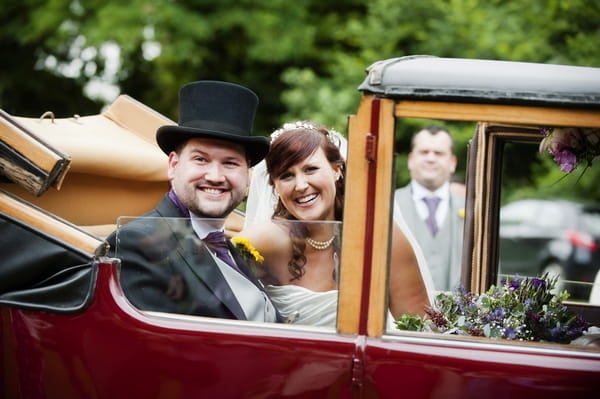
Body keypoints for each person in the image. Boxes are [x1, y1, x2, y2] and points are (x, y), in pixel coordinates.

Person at [107, 80, 278, 322]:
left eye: (230, 163)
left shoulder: (230, 249)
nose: (215, 176)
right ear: (174, 165)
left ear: (247, 176)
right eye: (201, 159)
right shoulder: (138, 243)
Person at [238, 121, 431, 327]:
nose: (301, 185)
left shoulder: (381, 236)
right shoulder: (266, 240)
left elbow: (421, 328)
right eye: (286, 175)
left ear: (336, 170)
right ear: (274, 186)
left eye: (311, 169)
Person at [394, 125, 465, 292]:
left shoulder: (474, 212)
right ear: (411, 160)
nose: (431, 158)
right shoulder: (388, 205)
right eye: (424, 152)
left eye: (438, 153)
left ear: (452, 163)